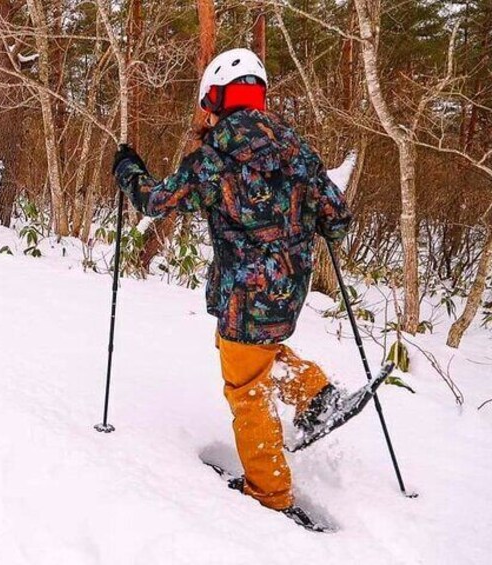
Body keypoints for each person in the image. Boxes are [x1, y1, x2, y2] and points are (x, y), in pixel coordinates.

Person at [111, 48, 354, 529]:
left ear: (216, 98)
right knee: (248, 351)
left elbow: (156, 202)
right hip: (289, 288)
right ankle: (316, 395)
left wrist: (128, 171)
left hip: (246, 292)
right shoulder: (297, 150)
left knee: (245, 388)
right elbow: (339, 219)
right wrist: (312, 217)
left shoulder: (215, 157)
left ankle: (270, 492)